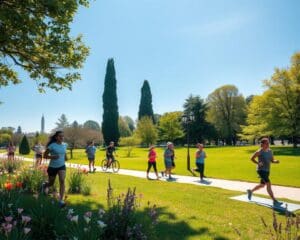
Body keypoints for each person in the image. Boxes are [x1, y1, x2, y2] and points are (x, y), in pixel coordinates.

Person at [247, 138, 282, 206]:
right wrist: (258, 163)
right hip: (261, 170)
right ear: (262, 144)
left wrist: (276, 161)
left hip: (267, 171)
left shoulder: (270, 151)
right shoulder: (259, 151)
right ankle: (274, 201)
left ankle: (250, 191)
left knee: (262, 185)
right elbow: (252, 158)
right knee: (268, 184)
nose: (268, 144)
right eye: (266, 143)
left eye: (268, 143)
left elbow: (272, 160)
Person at [43, 131, 68, 208]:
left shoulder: (65, 145)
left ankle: (61, 200)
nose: (62, 138)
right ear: (56, 137)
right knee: (51, 183)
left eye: (62, 136)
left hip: (62, 166)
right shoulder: (52, 146)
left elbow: (64, 154)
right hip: (52, 167)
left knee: (62, 180)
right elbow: (45, 155)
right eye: (60, 136)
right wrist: (52, 157)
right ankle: (45, 185)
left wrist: (66, 157)